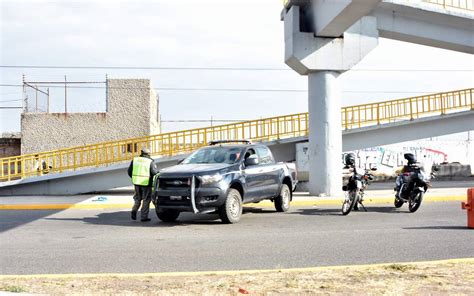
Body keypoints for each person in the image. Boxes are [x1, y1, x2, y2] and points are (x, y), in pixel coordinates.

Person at [127, 148, 159, 222]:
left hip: (137, 183)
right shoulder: (150, 161)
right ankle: (144, 217)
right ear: (148, 154)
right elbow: (154, 173)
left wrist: (135, 177)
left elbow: (129, 172)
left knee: (137, 198)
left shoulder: (135, 160)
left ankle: (134, 210)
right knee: (146, 199)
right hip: (146, 183)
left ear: (141, 153)